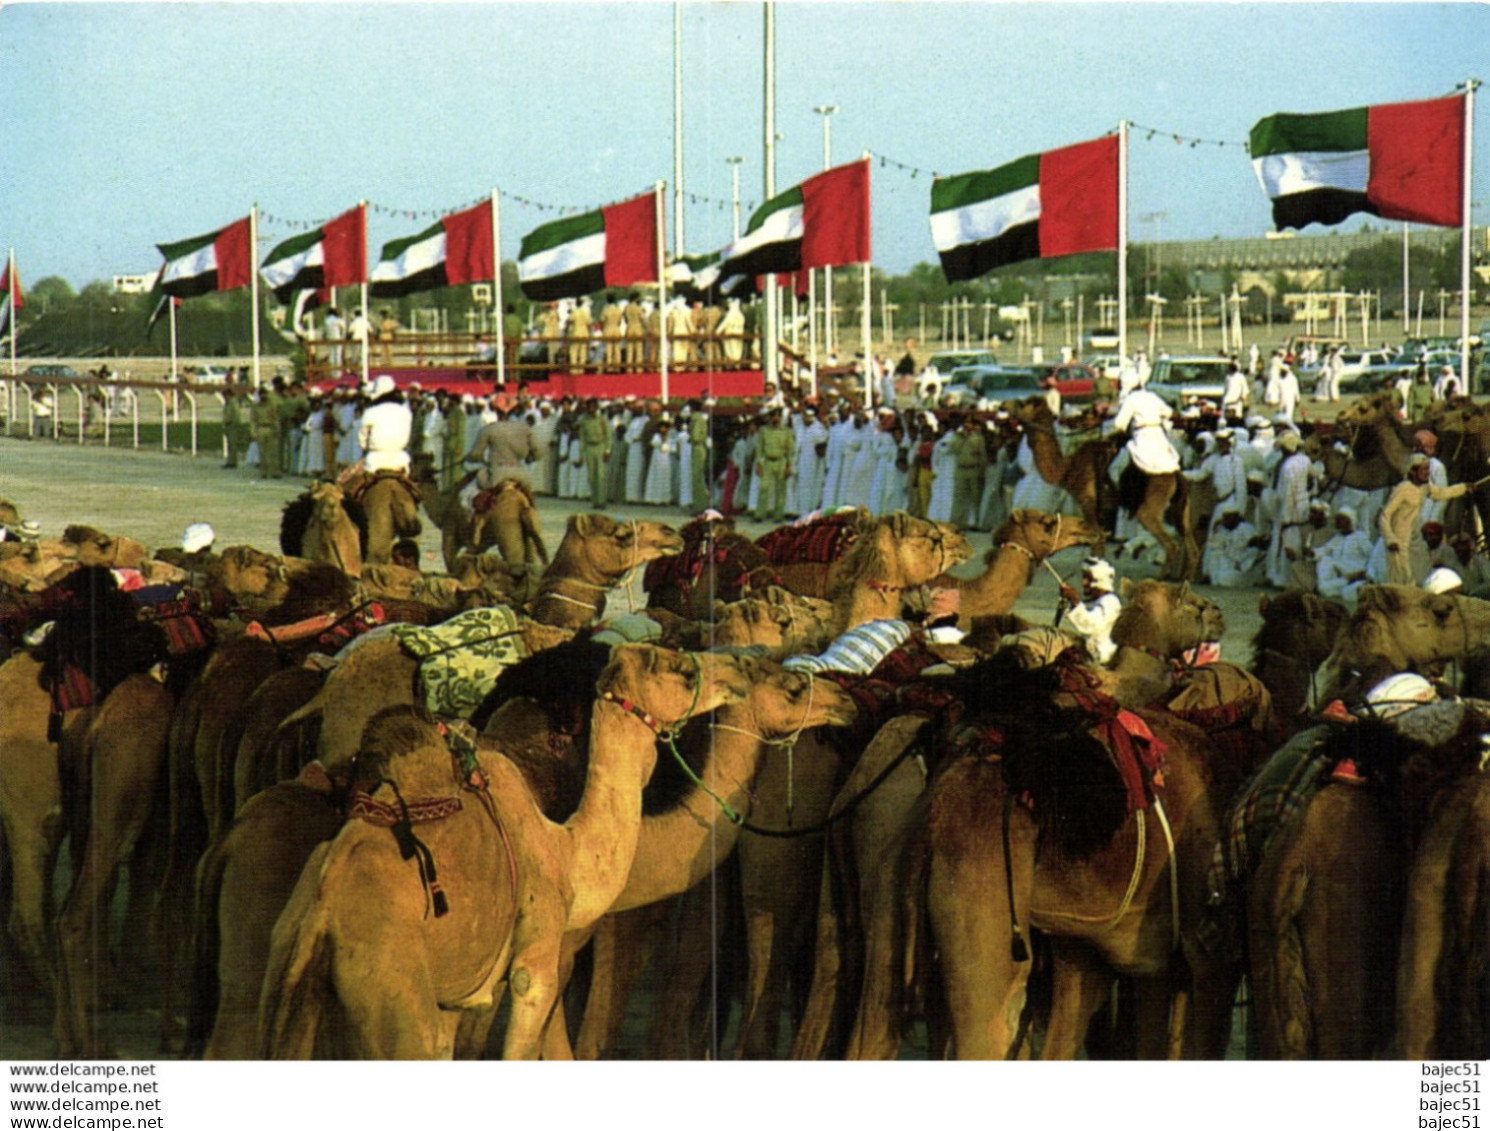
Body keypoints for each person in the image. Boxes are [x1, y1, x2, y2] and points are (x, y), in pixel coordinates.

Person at [1378, 454, 1470, 585]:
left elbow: (1441, 493)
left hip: (1414, 539)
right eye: (1424, 470)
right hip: (1398, 541)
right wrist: (1390, 539)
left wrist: (1464, 488)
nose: (1427, 473)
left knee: (1417, 577)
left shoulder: (1424, 487)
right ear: (1413, 472)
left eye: (1428, 469)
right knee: (1400, 580)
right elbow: (1385, 516)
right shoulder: (1403, 489)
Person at [1265, 429, 1313, 588]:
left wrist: (1285, 517)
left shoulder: (1288, 465)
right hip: (1303, 506)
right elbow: (1312, 483)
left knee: (1285, 543)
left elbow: (1286, 493)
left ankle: (1281, 579)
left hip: (1288, 509)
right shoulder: (1306, 460)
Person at [1059, 557, 1122, 664]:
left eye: (1088, 579)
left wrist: (1075, 601)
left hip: (1101, 658)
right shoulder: (1094, 601)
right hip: (1087, 652)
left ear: (1099, 581)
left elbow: (1092, 625)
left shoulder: (1110, 601)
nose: (1083, 583)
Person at [466, 402, 535, 491]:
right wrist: (530, 458)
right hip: (520, 473)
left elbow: (475, 454)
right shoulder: (522, 427)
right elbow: (537, 451)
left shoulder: (490, 428)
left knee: (471, 494)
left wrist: (472, 458)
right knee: (528, 499)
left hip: (497, 474)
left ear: (497, 413)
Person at [1315, 505, 1372, 605]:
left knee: (1347, 594)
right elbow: (1324, 550)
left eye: (1340, 519)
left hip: (1358, 577)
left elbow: (1372, 556)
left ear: (1349, 521)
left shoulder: (1360, 536)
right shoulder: (1337, 538)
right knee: (1325, 560)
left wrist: (1363, 573)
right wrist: (1312, 552)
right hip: (1342, 578)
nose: (1337, 521)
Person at [357, 374, 413, 474]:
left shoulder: (370, 412)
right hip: (400, 460)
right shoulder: (405, 411)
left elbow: (362, 438)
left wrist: (365, 448)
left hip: (374, 461)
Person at [754, 407, 795, 523]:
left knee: (781, 490)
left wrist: (789, 466)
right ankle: (760, 514)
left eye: (778, 416)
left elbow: (790, 450)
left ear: (781, 418)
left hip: (781, 461)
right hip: (767, 461)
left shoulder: (786, 431)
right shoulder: (764, 430)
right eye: (773, 416)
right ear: (770, 417)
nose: (776, 418)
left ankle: (778, 515)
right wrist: (759, 464)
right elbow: (759, 449)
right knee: (763, 488)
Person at [577, 398, 612, 509]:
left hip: (600, 446)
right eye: (589, 407)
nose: (591, 409)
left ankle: (602, 501)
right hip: (589, 448)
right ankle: (595, 500)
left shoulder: (602, 419)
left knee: (600, 475)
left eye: (593, 407)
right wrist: (581, 454)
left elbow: (608, 435)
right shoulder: (583, 420)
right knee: (591, 476)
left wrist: (608, 450)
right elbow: (582, 437)